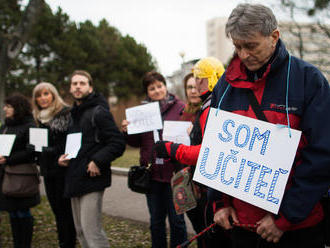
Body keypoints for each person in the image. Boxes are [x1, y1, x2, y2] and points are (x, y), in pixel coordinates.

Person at [209, 4, 330, 248]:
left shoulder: (308, 80)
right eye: (237, 46)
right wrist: (220, 204)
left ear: (274, 36)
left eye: (251, 46)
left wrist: (285, 218)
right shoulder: (225, 84)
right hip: (241, 226)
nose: (243, 54)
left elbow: (321, 155)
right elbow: (215, 149)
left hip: (297, 229)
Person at [154, 58, 231, 247]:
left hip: (213, 189)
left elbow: (209, 152)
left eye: (200, 78)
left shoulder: (213, 105)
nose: (196, 84)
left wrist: (171, 149)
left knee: (212, 239)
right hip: (205, 184)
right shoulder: (214, 103)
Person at [58, 70, 126, 248]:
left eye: (82, 83)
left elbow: (117, 142)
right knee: (80, 231)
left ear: (90, 87)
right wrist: (66, 157)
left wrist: (97, 160)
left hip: (92, 179)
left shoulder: (99, 111)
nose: (78, 86)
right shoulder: (73, 114)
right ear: (71, 88)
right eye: (74, 84)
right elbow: (78, 145)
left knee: (92, 232)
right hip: (74, 177)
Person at [121, 71, 187, 248]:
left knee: (177, 221)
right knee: (156, 221)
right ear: (147, 92)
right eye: (152, 88)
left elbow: (189, 135)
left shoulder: (181, 107)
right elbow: (136, 142)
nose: (157, 90)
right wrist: (127, 131)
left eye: (159, 86)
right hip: (153, 175)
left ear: (165, 86)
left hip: (176, 173)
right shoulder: (141, 112)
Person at [32, 82, 76, 248]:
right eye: (39, 95)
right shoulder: (38, 117)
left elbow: (68, 142)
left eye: (46, 94)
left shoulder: (65, 113)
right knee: (57, 213)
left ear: (53, 95)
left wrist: (49, 151)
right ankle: (63, 242)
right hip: (47, 171)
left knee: (66, 213)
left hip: (63, 170)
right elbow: (38, 149)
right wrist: (34, 151)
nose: (42, 98)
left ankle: (68, 243)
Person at [0, 93, 40, 248]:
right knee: (12, 213)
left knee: (23, 212)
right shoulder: (6, 125)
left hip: (23, 176)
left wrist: (9, 159)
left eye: (9, 106)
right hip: (6, 176)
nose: (5, 109)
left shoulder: (30, 125)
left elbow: (33, 151)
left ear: (18, 108)